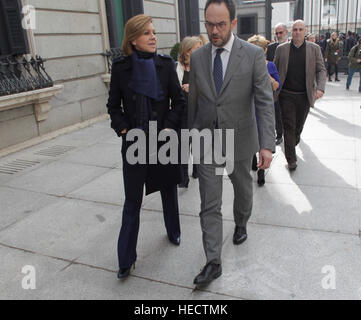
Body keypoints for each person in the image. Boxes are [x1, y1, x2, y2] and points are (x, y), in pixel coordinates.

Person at [188, 0, 275, 286]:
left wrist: (266, 144)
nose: (214, 30)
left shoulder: (252, 55)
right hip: (208, 141)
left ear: (233, 23)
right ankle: (213, 261)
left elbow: (263, 100)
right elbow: (195, 102)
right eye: (209, 24)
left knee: (243, 191)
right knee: (209, 204)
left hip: (240, 139)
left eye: (220, 24)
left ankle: (241, 222)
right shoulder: (199, 56)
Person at [106, 14, 186, 279]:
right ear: (133, 39)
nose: (153, 37)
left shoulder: (165, 65)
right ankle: (126, 260)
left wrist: (168, 127)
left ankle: (174, 231)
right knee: (132, 201)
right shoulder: (120, 68)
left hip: (161, 140)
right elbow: (113, 107)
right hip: (135, 143)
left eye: (154, 32)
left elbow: (179, 103)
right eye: (146, 33)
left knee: (168, 191)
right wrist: (124, 130)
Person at [274, 20, 326, 171]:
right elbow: (275, 70)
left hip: (304, 95)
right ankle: (291, 159)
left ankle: (292, 143)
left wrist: (320, 88)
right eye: (295, 29)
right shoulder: (281, 49)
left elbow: (321, 70)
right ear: (291, 31)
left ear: (305, 31)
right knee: (289, 126)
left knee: (298, 127)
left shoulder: (314, 49)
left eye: (300, 29)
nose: (297, 32)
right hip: (286, 95)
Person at [248, 34, 280, 187]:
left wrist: (266, 75)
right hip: (248, 107)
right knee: (251, 135)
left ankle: (261, 172)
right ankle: (253, 158)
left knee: (262, 136)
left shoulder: (271, 66)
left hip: (263, 107)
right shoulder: (245, 65)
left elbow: (276, 86)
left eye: (259, 50)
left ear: (265, 51)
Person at [176, 36, 203, 187]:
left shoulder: (203, 66)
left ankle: (197, 170)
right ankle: (182, 178)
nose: (201, 51)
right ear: (187, 51)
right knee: (183, 145)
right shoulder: (177, 67)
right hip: (183, 111)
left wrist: (193, 88)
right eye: (197, 49)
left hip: (199, 110)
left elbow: (208, 89)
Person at [267, 23, 288, 146]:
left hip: (290, 87)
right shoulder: (271, 48)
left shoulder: (292, 47)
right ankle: (279, 134)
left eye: (281, 32)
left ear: (286, 32)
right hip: (275, 86)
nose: (279, 35)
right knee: (277, 112)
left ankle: (292, 132)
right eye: (277, 33)